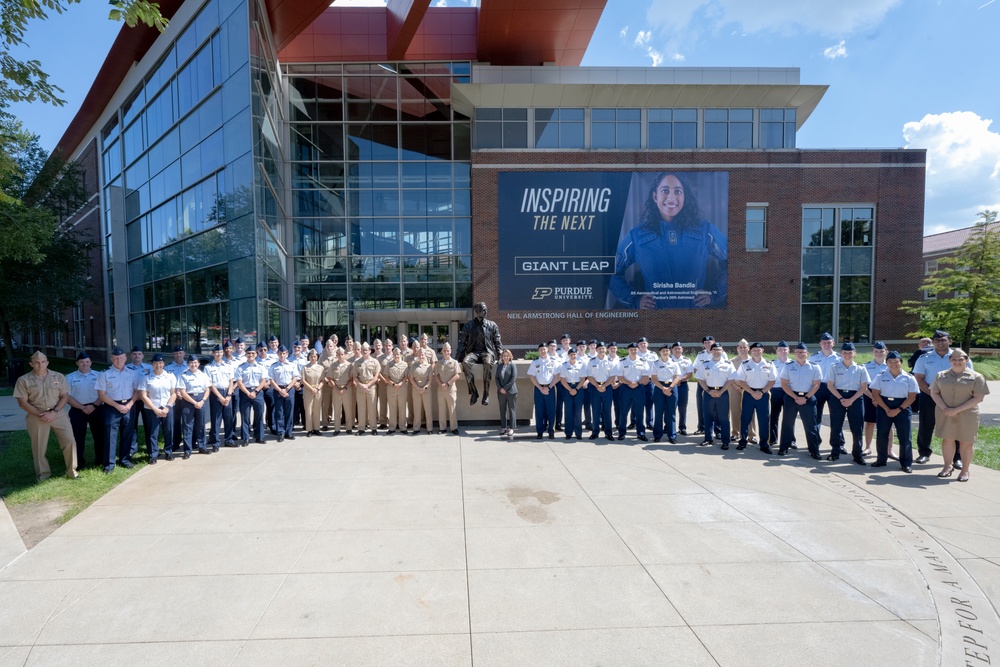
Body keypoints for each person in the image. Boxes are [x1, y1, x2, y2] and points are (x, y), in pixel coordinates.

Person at [610, 172, 728, 309]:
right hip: (656, 322)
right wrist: (634, 300)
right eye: (665, 191)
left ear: (685, 197)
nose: (671, 198)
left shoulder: (705, 231)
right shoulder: (637, 236)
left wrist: (714, 294)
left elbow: (735, 261)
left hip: (694, 322)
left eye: (678, 191)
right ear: (655, 196)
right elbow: (611, 271)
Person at [13, 351, 78, 481]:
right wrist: (41, 414)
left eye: (43, 362)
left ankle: (72, 471)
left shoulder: (58, 377)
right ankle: (43, 475)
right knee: (39, 447)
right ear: (31, 364)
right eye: (36, 362)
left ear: (47, 362)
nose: (40, 365)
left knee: (70, 441)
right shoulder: (23, 380)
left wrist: (53, 412)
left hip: (58, 414)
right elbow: (22, 402)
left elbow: (65, 396)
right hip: (36, 416)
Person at [913, 330, 971, 468]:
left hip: (955, 399)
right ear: (933, 342)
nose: (940, 343)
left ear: (950, 341)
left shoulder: (960, 357)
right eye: (937, 340)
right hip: (928, 396)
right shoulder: (924, 358)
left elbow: (969, 376)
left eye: (943, 340)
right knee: (926, 425)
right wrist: (933, 393)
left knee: (956, 427)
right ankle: (924, 453)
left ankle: (957, 457)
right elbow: (919, 378)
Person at [930, 349, 989, 482]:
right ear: (950, 360)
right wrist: (945, 408)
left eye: (960, 359)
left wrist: (956, 410)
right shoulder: (941, 375)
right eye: (954, 359)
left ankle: (965, 470)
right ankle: (947, 466)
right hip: (945, 412)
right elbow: (934, 392)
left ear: (966, 360)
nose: (957, 362)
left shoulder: (976, 377)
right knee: (947, 440)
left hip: (968, 414)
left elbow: (979, 398)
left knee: (966, 442)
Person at [869, 351, 918, 473]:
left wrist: (898, 409)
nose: (893, 364)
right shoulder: (880, 376)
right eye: (890, 362)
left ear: (901, 363)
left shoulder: (909, 378)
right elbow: (875, 393)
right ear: (886, 363)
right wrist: (886, 408)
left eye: (896, 362)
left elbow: (912, 397)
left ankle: (906, 463)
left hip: (903, 406)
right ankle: (881, 460)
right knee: (881, 434)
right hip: (883, 405)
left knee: (905, 436)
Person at [95, 346, 141, 473]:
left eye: (121, 358)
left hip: (129, 406)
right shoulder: (104, 374)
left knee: (127, 433)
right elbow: (101, 395)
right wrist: (117, 406)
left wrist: (130, 405)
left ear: (125, 358)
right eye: (116, 358)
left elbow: (137, 391)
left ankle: (125, 459)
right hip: (111, 407)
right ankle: (109, 464)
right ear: (111, 359)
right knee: (110, 435)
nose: (118, 360)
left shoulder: (133, 372)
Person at [825, 342, 870, 465]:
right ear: (841, 354)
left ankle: (857, 454)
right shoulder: (834, 367)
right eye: (845, 353)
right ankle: (835, 452)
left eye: (850, 353)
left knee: (857, 428)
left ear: (854, 353)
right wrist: (841, 399)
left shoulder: (861, 368)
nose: (847, 355)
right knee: (835, 426)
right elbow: (830, 385)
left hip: (855, 398)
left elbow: (864, 387)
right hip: (837, 396)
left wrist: (851, 400)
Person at [777, 343, 822, 458]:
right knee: (787, 424)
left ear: (807, 354)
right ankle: (784, 448)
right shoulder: (788, 366)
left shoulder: (814, 366)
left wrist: (805, 398)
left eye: (802, 352)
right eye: (797, 352)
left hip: (808, 397)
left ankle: (814, 450)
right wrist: (795, 397)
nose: (800, 354)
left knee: (811, 425)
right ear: (794, 354)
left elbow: (816, 385)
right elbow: (784, 384)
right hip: (792, 397)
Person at [456, 302, 502, 406]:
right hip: (474, 352)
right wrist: (457, 358)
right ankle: (474, 392)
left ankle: (486, 394)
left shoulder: (492, 325)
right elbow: (462, 342)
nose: (486, 312)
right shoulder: (468, 325)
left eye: (486, 309)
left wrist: (500, 357)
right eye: (483, 310)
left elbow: (497, 342)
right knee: (465, 363)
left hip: (487, 352)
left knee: (488, 364)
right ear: (476, 312)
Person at [734, 342, 776, 453]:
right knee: (745, 418)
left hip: (763, 394)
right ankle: (743, 441)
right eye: (754, 350)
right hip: (748, 393)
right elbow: (741, 381)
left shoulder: (769, 364)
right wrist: (752, 392)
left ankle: (764, 444)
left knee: (764, 420)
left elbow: (772, 380)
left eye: (758, 350)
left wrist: (761, 392)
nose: (756, 352)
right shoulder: (745, 364)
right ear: (751, 351)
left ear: (762, 350)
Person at [65, 351, 104, 469]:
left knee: (99, 436)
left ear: (91, 362)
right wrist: (82, 407)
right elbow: (67, 397)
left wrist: (94, 406)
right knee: (77, 437)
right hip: (78, 410)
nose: (85, 364)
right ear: (77, 363)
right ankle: (78, 462)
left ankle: (101, 459)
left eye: (87, 362)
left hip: (96, 408)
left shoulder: (99, 376)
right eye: (82, 362)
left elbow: (103, 394)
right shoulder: (70, 377)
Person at [694, 342, 735, 449]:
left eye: (719, 350)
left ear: (722, 351)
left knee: (723, 418)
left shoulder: (728, 364)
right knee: (708, 417)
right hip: (709, 393)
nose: (716, 352)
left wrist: (721, 391)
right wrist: (707, 390)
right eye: (714, 350)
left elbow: (731, 380)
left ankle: (725, 441)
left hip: (723, 393)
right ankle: (708, 439)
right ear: (711, 351)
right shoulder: (705, 364)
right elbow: (699, 378)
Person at [139, 354, 177, 462]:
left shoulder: (170, 376)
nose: (158, 365)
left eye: (160, 363)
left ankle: (169, 452)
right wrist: (155, 409)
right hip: (151, 409)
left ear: (163, 363)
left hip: (167, 408)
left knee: (169, 430)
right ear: (152, 364)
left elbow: (173, 394)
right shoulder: (146, 377)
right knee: (152, 432)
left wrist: (167, 407)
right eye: (155, 363)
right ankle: (153, 455)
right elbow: (143, 395)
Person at [809, 332, 841, 453]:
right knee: (816, 416)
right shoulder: (813, 358)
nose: (826, 345)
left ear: (833, 343)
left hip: (834, 387)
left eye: (829, 342)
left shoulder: (839, 358)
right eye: (824, 343)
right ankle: (815, 442)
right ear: (820, 344)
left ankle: (839, 443)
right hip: (819, 387)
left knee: (837, 417)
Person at [177, 354, 211, 457]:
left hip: (201, 400)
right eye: (191, 363)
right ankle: (187, 449)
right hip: (188, 401)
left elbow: (207, 389)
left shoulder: (203, 375)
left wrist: (202, 401)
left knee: (200, 424)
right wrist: (194, 402)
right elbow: (182, 392)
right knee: (187, 426)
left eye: (195, 362)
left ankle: (202, 446)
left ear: (198, 364)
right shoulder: (183, 375)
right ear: (188, 364)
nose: (193, 364)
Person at [616, 342, 651, 442]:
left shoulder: (643, 361)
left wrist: (637, 383)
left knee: (639, 412)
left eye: (635, 349)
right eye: (631, 349)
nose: (633, 351)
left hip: (639, 388)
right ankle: (622, 433)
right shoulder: (623, 361)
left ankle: (641, 433)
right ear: (628, 350)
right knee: (623, 412)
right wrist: (629, 383)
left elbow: (646, 375)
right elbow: (620, 376)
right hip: (625, 388)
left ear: (637, 350)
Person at [205, 344, 236, 451]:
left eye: (220, 352)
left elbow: (231, 381)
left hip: (227, 392)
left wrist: (228, 395)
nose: (219, 354)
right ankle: (216, 442)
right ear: (213, 354)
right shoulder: (208, 367)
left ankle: (228, 440)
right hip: (215, 393)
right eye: (216, 352)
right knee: (216, 419)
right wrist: (219, 396)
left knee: (228, 418)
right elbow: (210, 384)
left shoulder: (228, 366)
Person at [125, 346, 153, 462]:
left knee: (149, 424)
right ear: (131, 356)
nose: (137, 356)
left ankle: (150, 447)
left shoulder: (149, 368)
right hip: (132, 400)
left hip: (146, 399)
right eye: (134, 354)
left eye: (139, 354)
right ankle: (132, 448)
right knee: (132, 425)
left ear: (143, 356)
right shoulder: (126, 368)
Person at [862, 342, 889, 458]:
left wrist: (880, 399)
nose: (879, 353)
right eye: (876, 351)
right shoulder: (865, 366)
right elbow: (863, 386)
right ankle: (868, 447)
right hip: (870, 397)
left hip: (887, 397)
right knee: (870, 423)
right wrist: (874, 398)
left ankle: (889, 449)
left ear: (886, 352)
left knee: (888, 424)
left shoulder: (890, 365)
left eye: (881, 351)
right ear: (872, 352)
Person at [236, 346, 268, 445]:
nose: (251, 355)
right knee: (245, 416)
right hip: (245, 393)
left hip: (257, 392)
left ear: (256, 354)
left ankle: (260, 437)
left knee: (259, 415)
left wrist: (255, 391)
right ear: (246, 355)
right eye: (249, 353)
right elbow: (239, 382)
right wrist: (248, 392)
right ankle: (246, 438)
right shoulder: (240, 367)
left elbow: (263, 381)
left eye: (253, 353)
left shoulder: (261, 366)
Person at [650, 345, 681, 444]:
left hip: (672, 387)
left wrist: (670, 388)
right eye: (663, 350)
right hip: (659, 388)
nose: (665, 352)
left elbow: (676, 377)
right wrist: (663, 388)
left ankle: (672, 435)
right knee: (659, 412)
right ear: (660, 352)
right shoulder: (655, 364)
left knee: (671, 413)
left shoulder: (674, 363)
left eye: (667, 350)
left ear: (669, 352)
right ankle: (657, 435)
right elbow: (654, 378)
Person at [269, 345, 300, 442]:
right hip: (278, 390)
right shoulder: (273, 366)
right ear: (278, 354)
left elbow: (295, 378)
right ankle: (281, 433)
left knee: (289, 412)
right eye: (280, 353)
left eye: (284, 353)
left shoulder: (291, 365)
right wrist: (280, 390)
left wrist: (286, 389)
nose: (282, 355)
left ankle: (288, 432)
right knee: (279, 412)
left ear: (287, 354)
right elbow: (271, 380)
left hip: (289, 389)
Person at [527, 342, 558, 439]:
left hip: (551, 388)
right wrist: (541, 388)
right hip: (538, 389)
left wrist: (548, 387)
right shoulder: (535, 362)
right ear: (538, 351)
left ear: (547, 349)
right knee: (539, 411)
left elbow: (557, 376)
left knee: (551, 411)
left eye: (544, 349)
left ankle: (551, 431)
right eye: (541, 350)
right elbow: (532, 376)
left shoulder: (553, 361)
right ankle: (539, 432)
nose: (543, 351)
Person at [587, 341, 616, 441]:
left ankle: (608, 433)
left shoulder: (610, 361)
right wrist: (597, 385)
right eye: (599, 349)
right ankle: (595, 432)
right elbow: (589, 376)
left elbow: (612, 377)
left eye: (603, 348)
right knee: (595, 411)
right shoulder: (592, 361)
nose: (601, 350)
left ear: (605, 349)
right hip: (595, 388)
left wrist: (604, 386)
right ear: (596, 350)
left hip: (607, 387)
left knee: (607, 411)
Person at [557, 348, 588, 440]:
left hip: (578, 387)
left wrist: (577, 389)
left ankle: (578, 433)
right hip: (567, 388)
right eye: (571, 355)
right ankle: (568, 432)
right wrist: (570, 389)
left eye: (574, 354)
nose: (573, 356)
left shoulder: (581, 365)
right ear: (568, 356)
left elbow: (583, 378)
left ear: (577, 355)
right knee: (568, 411)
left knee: (578, 412)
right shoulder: (564, 366)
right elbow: (562, 379)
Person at [768, 341, 794, 450]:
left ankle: (791, 440)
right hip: (776, 391)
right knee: (773, 416)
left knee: (789, 418)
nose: (782, 352)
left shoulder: (793, 363)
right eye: (780, 350)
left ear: (788, 351)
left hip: (789, 392)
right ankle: (773, 439)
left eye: (785, 349)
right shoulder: (772, 364)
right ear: (777, 351)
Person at [352, 342, 381, 436]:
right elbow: (355, 377)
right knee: (361, 408)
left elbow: (376, 376)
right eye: (363, 350)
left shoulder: (375, 362)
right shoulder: (357, 362)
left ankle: (373, 428)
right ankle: (361, 428)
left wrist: (367, 386)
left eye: (366, 350)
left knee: (372, 408)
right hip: (360, 388)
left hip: (371, 387)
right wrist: (361, 385)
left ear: (369, 351)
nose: (365, 352)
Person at [325, 347, 356, 435]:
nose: (340, 356)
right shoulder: (333, 365)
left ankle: (349, 428)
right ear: (336, 355)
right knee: (337, 409)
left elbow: (351, 379)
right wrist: (336, 389)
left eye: (342, 354)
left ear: (345, 355)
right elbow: (330, 378)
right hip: (336, 389)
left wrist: (345, 388)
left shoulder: (350, 365)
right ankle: (337, 429)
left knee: (348, 409)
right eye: (338, 354)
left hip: (347, 389)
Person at [729, 339, 753, 444]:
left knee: (750, 412)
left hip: (749, 389)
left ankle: (751, 435)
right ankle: (735, 433)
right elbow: (729, 376)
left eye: (745, 347)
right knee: (735, 410)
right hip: (734, 388)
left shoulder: (754, 360)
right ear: (737, 348)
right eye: (740, 347)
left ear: (748, 348)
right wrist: (735, 386)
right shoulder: (731, 361)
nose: (742, 349)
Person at [382, 347, 410, 434]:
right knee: (392, 407)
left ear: (400, 355)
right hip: (391, 388)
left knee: (402, 407)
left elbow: (406, 376)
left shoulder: (405, 364)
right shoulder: (389, 364)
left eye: (398, 354)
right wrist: (393, 384)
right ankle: (392, 427)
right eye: (394, 354)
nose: (396, 356)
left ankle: (403, 427)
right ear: (392, 355)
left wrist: (400, 384)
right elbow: (386, 376)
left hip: (402, 388)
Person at [435, 342, 461, 435]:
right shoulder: (438, 363)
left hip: (450, 389)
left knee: (452, 409)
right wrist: (441, 384)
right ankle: (442, 428)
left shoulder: (454, 362)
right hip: (441, 389)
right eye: (444, 351)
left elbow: (457, 375)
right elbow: (436, 375)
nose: (446, 352)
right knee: (441, 409)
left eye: (448, 350)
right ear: (442, 352)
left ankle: (454, 428)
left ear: (451, 351)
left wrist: (448, 383)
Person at [409, 343, 435, 435]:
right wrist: (417, 388)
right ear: (418, 355)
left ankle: (429, 428)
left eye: (422, 354)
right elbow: (411, 378)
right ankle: (416, 428)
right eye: (419, 354)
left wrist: (424, 388)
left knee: (428, 409)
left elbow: (430, 379)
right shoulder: (413, 365)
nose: (421, 356)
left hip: (426, 390)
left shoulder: (428, 366)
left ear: (424, 355)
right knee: (417, 409)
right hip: (416, 389)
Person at [669, 342, 694, 435]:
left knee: (682, 407)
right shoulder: (668, 359)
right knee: (670, 407)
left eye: (679, 348)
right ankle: (668, 426)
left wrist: (680, 380)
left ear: (682, 349)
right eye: (675, 348)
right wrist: (675, 381)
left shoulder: (687, 360)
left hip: (682, 385)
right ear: (672, 350)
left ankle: (682, 427)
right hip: (671, 386)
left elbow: (689, 374)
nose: (677, 350)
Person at [300, 349, 325, 436]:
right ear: (309, 357)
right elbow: (303, 380)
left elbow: (323, 381)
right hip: (308, 391)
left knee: (317, 410)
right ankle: (309, 429)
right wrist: (311, 389)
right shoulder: (305, 367)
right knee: (308, 410)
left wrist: (317, 389)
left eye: (314, 356)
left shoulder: (321, 368)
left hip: (317, 391)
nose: (313, 358)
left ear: (317, 357)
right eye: (311, 356)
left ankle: (316, 428)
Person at [495, 348, 518, 440]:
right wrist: (501, 388)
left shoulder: (512, 365)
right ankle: (503, 427)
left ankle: (511, 428)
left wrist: (505, 388)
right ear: (502, 357)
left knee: (511, 409)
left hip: (511, 391)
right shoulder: (499, 366)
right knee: (502, 409)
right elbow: (496, 378)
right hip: (501, 392)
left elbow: (513, 378)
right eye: (504, 355)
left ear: (510, 356)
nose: (505, 357)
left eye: (507, 355)